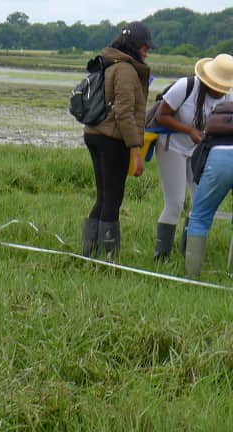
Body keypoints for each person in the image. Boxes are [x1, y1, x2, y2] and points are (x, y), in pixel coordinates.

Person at [81, 21, 154, 258]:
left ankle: (89, 254)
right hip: (111, 138)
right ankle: (109, 260)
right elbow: (123, 113)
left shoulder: (110, 62)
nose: (147, 51)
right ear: (134, 46)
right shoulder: (125, 70)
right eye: (144, 46)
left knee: (103, 197)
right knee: (113, 199)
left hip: (94, 133)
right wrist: (135, 149)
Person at [151, 55, 233, 260]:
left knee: (200, 203)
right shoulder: (185, 86)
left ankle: (187, 254)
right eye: (217, 85)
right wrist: (189, 131)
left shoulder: (228, 97)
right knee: (175, 203)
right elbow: (161, 116)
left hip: (198, 152)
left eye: (225, 86)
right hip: (172, 146)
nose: (220, 90)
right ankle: (161, 257)